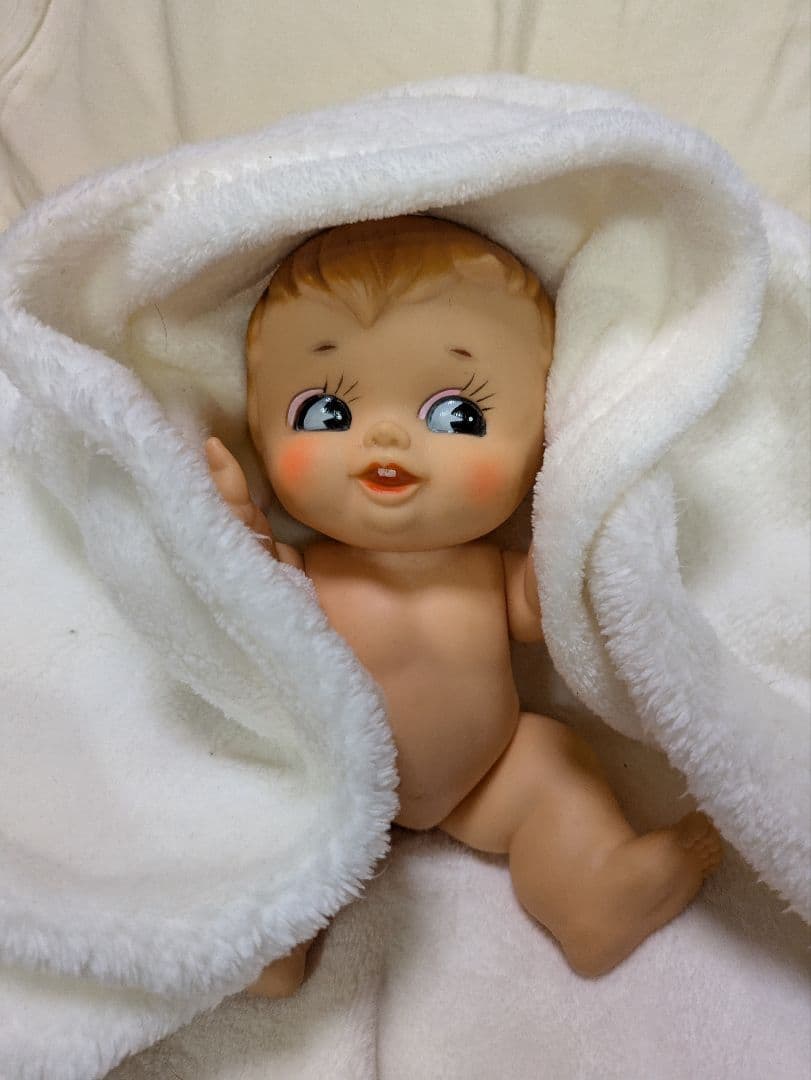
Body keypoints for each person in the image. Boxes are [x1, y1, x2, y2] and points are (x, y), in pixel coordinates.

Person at [205, 215, 721, 996]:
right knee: (274, 816)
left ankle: (593, 894)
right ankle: (269, 946)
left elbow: (553, 611)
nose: (384, 438)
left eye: (456, 415)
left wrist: (583, 528)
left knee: (551, 765)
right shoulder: (311, 569)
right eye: (326, 412)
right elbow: (250, 599)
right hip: (333, 781)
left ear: (539, 443)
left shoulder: (490, 569)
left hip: (486, 773)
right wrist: (233, 530)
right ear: (259, 433)